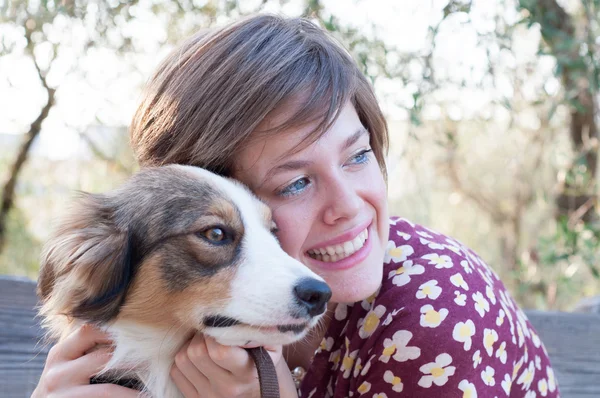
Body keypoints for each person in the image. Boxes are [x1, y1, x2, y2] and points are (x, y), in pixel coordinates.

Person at [32, 14, 559, 398]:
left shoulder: (437, 310)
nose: (350, 207)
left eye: (358, 156)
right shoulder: (194, 309)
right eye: (295, 184)